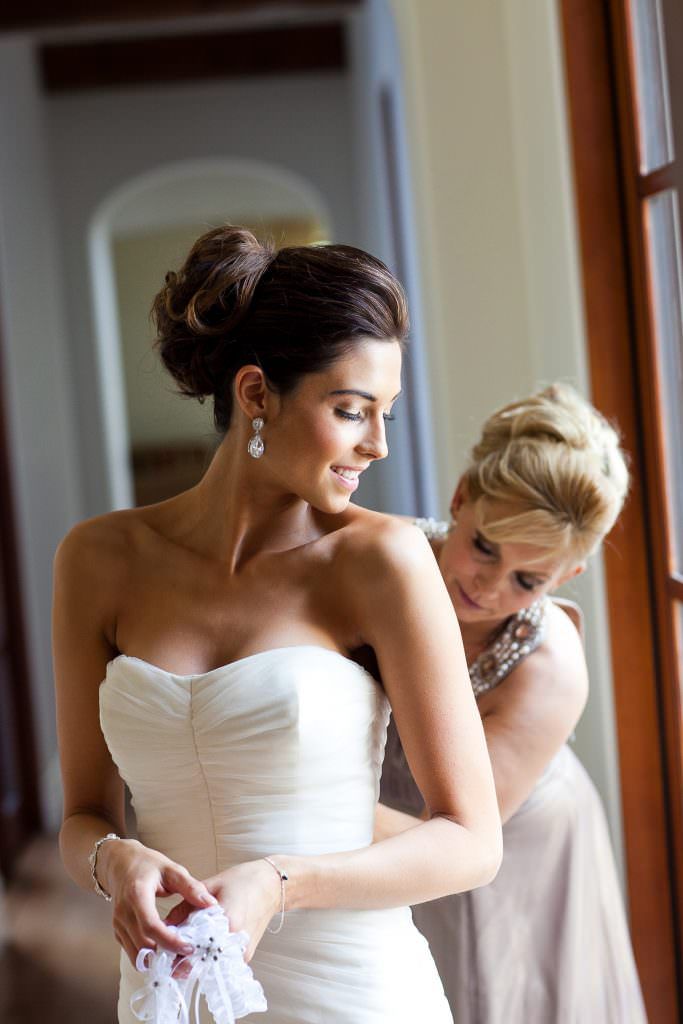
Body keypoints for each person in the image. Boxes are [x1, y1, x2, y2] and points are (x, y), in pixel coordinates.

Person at [53, 225, 502, 1023]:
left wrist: (280, 882)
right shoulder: (97, 559)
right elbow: (84, 811)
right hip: (172, 987)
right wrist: (111, 859)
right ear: (256, 393)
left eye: (386, 413)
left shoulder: (382, 561)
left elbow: (472, 840)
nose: (377, 444)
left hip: (354, 990)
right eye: (351, 410)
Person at [378, 384, 647, 1023]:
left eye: (529, 580)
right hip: (388, 817)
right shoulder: (375, 560)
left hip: (508, 847)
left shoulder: (549, 666)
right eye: (484, 547)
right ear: (461, 498)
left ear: (565, 578)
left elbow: (453, 842)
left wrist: (292, 802)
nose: (488, 587)